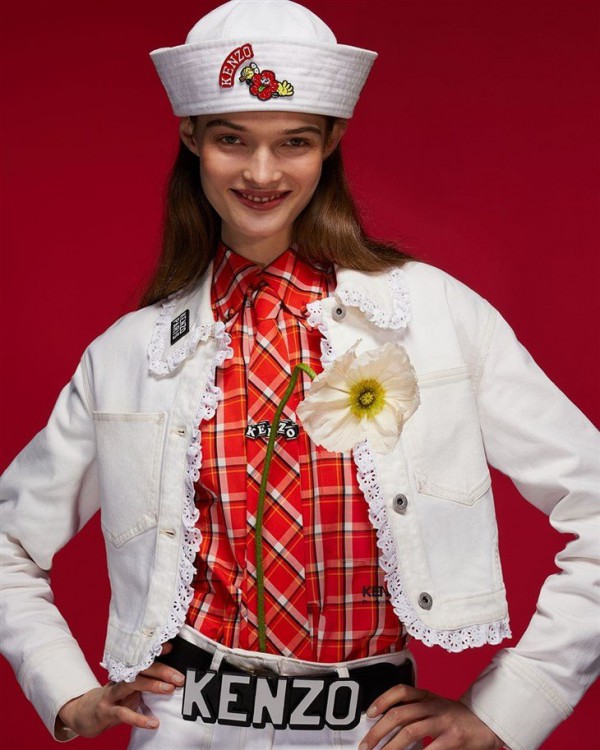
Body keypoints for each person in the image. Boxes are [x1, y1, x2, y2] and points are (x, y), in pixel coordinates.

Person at [1, 1, 598, 749]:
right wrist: (65, 691)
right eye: (231, 139)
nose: (262, 173)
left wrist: (516, 703)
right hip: (185, 730)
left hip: (370, 734)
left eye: (294, 142)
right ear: (191, 137)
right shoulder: (128, 353)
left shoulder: (435, 315)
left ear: (331, 141)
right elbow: (8, 539)